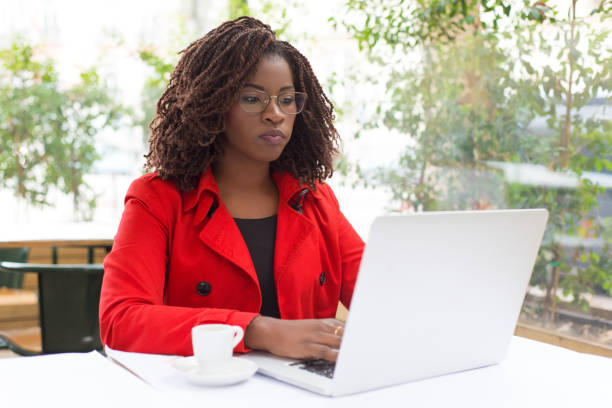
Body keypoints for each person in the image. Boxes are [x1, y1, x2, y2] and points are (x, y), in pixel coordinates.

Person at [99, 16, 364, 363]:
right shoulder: (158, 199)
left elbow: (381, 293)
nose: (275, 114)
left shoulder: (314, 198)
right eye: (253, 99)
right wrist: (258, 331)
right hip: (201, 393)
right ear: (212, 105)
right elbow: (121, 320)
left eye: (287, 100)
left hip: (305, 391)